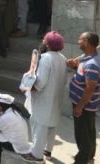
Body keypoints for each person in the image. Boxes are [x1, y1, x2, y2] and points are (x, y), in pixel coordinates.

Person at [27, 31, 67, 161]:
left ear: (48, 44)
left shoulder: (46, 58)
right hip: (56, 96)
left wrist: (30, 86)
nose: (43, 42)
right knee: (51, 125)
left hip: (44, 97)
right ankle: (48, 151)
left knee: (40, 126)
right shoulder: (63, 58)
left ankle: (36, 155)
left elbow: (41, 82)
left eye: (45, 40)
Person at [67, 32, 100, 164]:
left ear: (87, 42)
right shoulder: (85, 58)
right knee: (89, 131)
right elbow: (83, 74)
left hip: (85, 106)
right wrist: (74, 66)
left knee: (82, 135)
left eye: (80, 39)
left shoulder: (92, 64)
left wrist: (79, 106)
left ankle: (82, 160)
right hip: (85, 104)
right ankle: (89, 157)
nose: (78, 41)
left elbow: (90, 88)